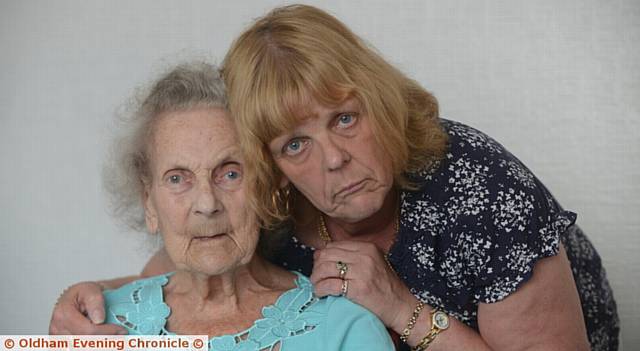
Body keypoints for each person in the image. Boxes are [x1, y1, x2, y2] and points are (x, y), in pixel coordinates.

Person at [50, 4, 619, 351]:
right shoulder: (268, 199)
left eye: (344, 118)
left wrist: (399, 307)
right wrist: (91, 299)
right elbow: (192, 259)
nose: (331, 160)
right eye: (295, 143)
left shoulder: (480, 186)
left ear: (379, 98)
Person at [71, 62, 394, 351]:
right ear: (148, 202)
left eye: (230, 173)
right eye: (177, 179)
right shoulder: (91, 325)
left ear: (266, 185)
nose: (207, 204)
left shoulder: (344, 328)